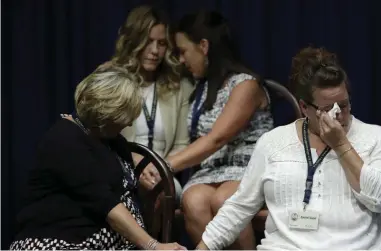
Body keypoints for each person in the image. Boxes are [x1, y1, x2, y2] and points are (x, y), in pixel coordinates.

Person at [195, 46, 381, 250]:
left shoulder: (377, 138)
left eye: (343, 106)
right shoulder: (272, 142)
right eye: (327, 109)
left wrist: (341, 145)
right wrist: (203, 247)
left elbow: (380, 199)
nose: (338, 116)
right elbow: (239, 207)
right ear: (304, 107)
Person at [9, 67, 186, 250]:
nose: (130, 123)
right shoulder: (64, 141)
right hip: (62, 241)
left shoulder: (112, 140)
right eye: (125, 116)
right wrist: (153, 246)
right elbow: (106, 204)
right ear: (106, 112)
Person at [141, 10, 274, 249]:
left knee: (225, 201)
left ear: (203, 45)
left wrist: (165, 166)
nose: (181, 60)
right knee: (193, 201)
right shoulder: (200, 87)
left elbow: (216, 139)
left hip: (248, 167)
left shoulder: (246, 84)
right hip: (211, 170)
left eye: (183, 51)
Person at [99, 5, 194, 198]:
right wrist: (133, 163)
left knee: (158, 190)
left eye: (161, 43)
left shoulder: (180, 86)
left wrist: (159, 169)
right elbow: (99, 137)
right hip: (119, 167)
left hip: (162, 172)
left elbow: (182, 144)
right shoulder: (110, 78)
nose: (154, 51)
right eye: (148, 42)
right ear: (133, 41)